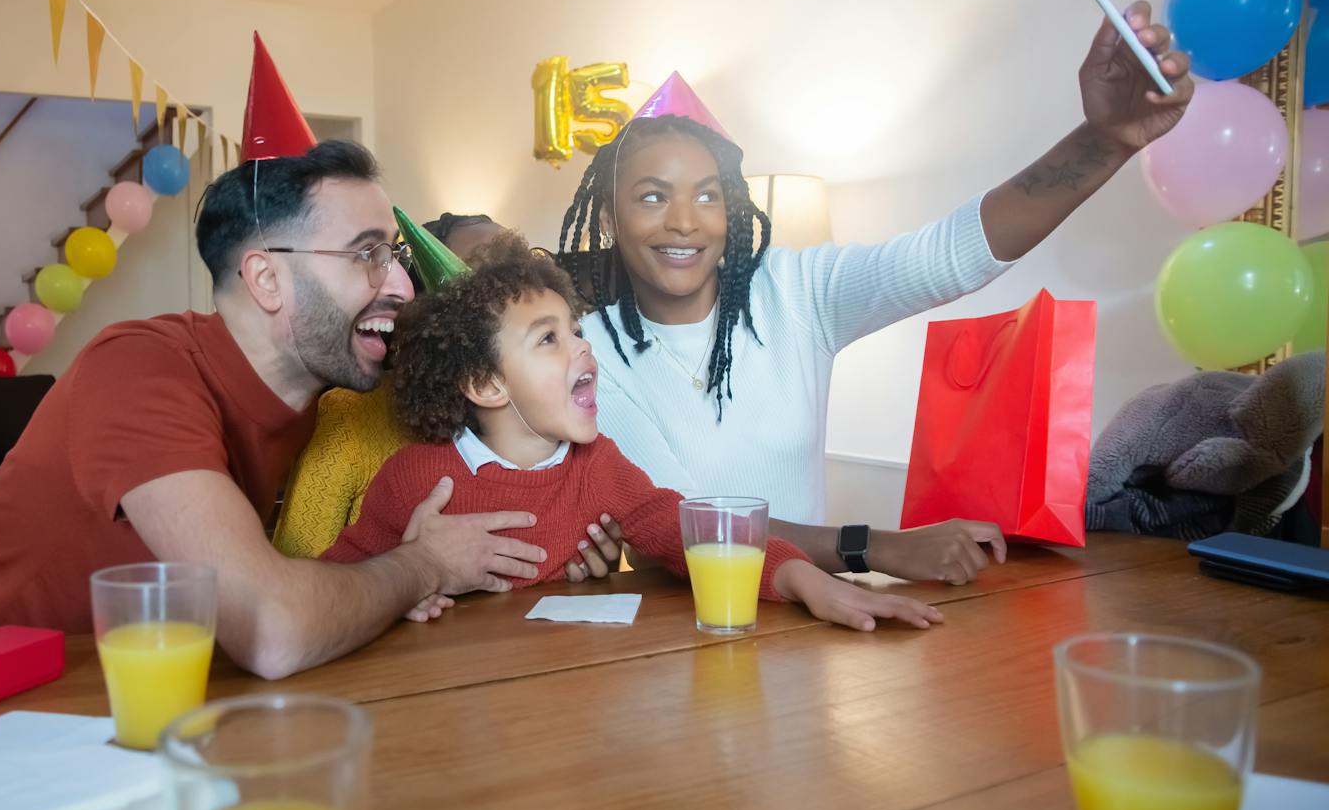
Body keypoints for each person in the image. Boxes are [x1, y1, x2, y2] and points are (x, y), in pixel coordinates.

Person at [557, 2, 1194, 584]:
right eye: (651, 197)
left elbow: (950, 254)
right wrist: (877, 548)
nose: (684, 222)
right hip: (680, 637)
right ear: (609, 219)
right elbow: (686, 526)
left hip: (815, 627)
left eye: (707, 194)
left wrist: (1105, 141)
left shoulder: (795, 292)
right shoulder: (590, 362)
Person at [0, 142, 556, 678]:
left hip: (137, 703)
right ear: (267, 279)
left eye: (397, 256)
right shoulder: (138, 366)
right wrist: (422, 567)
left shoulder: (323, 401)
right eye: (367, 256)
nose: (403, 286)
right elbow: (272, 629)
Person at [321, 234, 943, 632]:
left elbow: (681, 528)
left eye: (577, 330)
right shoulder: (416, 481)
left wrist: (808, 580)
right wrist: (399, 584)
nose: (583, 350)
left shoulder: (598, 467)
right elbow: (334, 586)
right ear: (486, 384)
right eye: (548, 339)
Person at [274, 212, 628, 581]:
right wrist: (410, 571)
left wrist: (591, 555)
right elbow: (300, 587)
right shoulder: (355, 423)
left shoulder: (570, 440)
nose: (510, 290)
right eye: (481, 277)